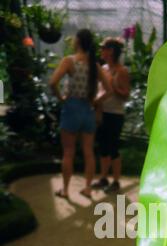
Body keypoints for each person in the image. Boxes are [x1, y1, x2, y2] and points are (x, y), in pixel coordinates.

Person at [49, 29, 110, 199]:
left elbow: (53, 82)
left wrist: (61, 98)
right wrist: (95, 101)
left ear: (78, 41)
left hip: (72, 108)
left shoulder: (69, 61)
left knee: (68, 152)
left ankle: (66, 190)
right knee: (88, 152)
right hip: (88, 110)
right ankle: (88, 188)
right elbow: (109, 90)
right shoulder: (95, 65)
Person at [92, 37, 130, 193]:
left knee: (113, 148)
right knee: (103, 148)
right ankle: (103, 178)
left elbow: (126, 94)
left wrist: (114, 88)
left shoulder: (122, 71)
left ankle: (116, 181)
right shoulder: (104, 69)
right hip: (102, 112)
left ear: (111, 51)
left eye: (103, 48)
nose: (101, 51)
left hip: (115, 114)